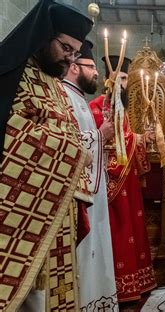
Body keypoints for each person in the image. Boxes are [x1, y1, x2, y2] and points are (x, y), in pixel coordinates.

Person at [0, 1, 93, 310]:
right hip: (24, 209)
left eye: (76, 53)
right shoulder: (15, 75)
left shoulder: (53, 83)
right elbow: (14, 131)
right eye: (66, 48)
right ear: (45, 35)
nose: (70, 58)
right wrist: (75, 153)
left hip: (56, 206)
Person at [89, 56, 157, 302]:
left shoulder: (122, 111)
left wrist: (141, 138)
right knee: (117, 230)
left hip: (126, 179)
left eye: (126, 78)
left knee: (130, 227)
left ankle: (134, 282)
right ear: (108, 79)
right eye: (119, 77)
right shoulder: (96, 107)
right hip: (109, 181)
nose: (122, 83)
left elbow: (124, 138)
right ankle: (115, 285)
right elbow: (102, 142)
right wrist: (136, 140)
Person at [62, 40, 119, 310]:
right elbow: (63, 144)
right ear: (75, 67)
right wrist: (100, 135)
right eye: (92, 67)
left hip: (92, 190)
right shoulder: (64, 97)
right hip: (77, 196)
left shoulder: (78, 99)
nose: (98, 73)